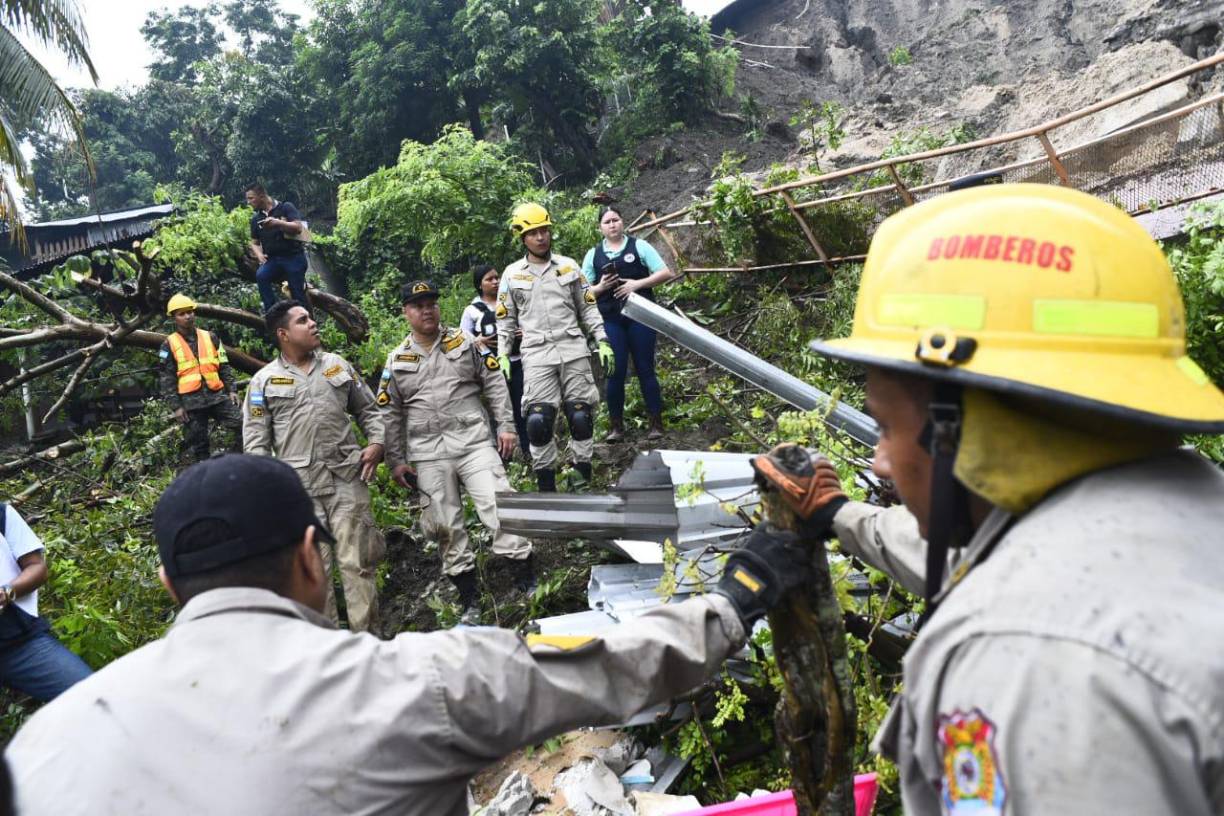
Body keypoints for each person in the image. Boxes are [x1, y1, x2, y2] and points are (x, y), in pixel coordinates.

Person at [757, 184, 1224, 814]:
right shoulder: (1181, 506)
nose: (881, 461)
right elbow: (974, 557)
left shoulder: (1029, 660)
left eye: (887, 427)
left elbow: (1009, 591)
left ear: (964, 427)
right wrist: (839, 515)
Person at [5, 454, 808, 815]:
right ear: (313, 558)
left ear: (167, 584)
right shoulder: (421, 681)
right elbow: (617, 668)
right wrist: (737, 595)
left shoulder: (43, 743)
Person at [380, 280, 533, 625]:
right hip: (428, 453)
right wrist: (396, 460)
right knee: (445, 526)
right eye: (418, 305)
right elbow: (389, 413)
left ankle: (526, 581)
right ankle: (469, 602)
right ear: (406, 312)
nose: (427, 310)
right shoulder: (397, 359)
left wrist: (506, 426)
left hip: (473, 441)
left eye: (431, 303)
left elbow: (494, 382)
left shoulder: (465, 342)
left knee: (499, 504)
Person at [243, 301, 386, 632]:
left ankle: (367, 643)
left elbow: (368, 410)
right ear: (283, 334)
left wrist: (377, 443)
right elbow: (256, 444)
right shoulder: (263, 382)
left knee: (359, 564)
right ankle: (327, 648)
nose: (313, 323)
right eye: (303, 320)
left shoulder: (336, 366)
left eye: (311, 318)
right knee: (313, 575)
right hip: (299, 493)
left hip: (346, 478)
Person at [496, 202, 614, 492]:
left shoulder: (569, 266)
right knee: (538, 422)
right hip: (536, 355)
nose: (540, 237)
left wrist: (602, 340)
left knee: (580, 416)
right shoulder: (512, 274)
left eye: (544, 230)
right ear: (522, 237)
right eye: (533, 233)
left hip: (573, 349)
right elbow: (505, 319)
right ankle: (547, 489)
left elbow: (588, 307)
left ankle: (580, 481)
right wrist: (503, 353)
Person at [581, 206, 678, 442]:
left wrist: (637, 284)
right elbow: (583, 293)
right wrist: (601, 286)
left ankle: (656, 424)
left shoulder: (639, 246)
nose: (612, 224)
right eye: (607, 222)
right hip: (611, 320)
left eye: (615, 220)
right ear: (600, 228)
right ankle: (616, 427)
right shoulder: (593, 255)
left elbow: (666, 272)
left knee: (645, 368)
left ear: (622, 222)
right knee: (615, 371)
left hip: (640, 317)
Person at [0, 502, 91, 702]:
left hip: (20, 643)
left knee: (91, 697)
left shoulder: (2, 514)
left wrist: (7, 592)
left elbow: (36, 567)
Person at [157, 293, 242, 465]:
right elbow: (166, 378)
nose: (188, 316)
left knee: (242, 425)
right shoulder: (168, 344)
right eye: (182, 314)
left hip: (217, 396)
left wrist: (232, 390)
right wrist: (176, 407)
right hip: (191, 403)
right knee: (199, 444)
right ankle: (207, 474)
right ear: (174, 318)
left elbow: (224, 364)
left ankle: (238, 461)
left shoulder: (211, 337)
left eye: (190, 312)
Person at [460, 264, 529, 457]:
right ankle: (501, 456)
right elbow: (462, 341)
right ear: (479, 284)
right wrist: (478, 340)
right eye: (489, 279)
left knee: (523, 408)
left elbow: (532, 324)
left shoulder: (511, 302)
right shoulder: (471, 311)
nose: (495, 282)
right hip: (490, 369)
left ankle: (528, 452)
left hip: (518, 362)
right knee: (498, 411)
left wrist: (524, 332)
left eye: (497, 277)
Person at [245, 182, 308, 313]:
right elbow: (254, 242)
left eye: (251, 198)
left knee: (297, 293)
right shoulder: (256, 219)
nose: (248, 202)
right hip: (273, 260)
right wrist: (259, 255)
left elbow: (298, 228)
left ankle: (302, 317)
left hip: (293, 256)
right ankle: (272, 313)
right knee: (261, 276)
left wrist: (277, 223)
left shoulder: (285, 207)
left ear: (262, 196)